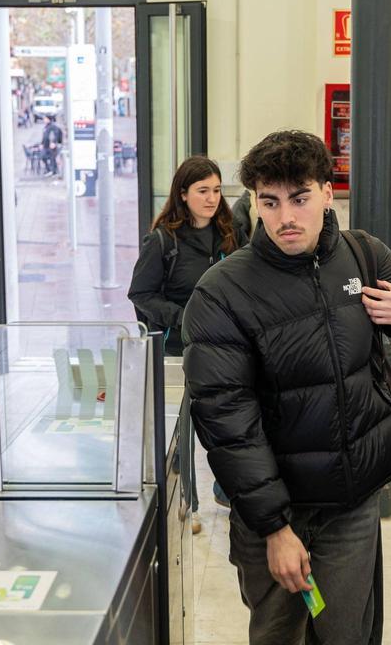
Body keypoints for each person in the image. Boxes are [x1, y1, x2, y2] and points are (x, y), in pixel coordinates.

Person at [183, 130, 391, 644]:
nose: (285, 219)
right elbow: (228, 423)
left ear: (327, 192)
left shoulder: (362, 253)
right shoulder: (223, 292)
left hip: (353, 503)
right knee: (280, 634)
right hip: (278, 514)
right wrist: (275, 528)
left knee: (349, 634)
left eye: (299, 199)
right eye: (269, 202)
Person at [128, 155, 246, 534]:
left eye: (215, 190)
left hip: (227, 348)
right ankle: (186, 502)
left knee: (230, 423)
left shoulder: (230, 233)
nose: (212, 199)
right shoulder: (163, 239)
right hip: (180, 349)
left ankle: (228, 492)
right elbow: (141, 293)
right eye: (202, 191)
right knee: (183, 432)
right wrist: (182, 317)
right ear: (183, 193)